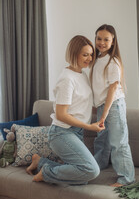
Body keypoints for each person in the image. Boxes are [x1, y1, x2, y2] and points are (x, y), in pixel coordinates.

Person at [26, 35, 105, 185]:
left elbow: (84, 104)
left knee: (81, 177)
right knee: (91, 170)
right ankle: (46, 173)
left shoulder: (82, 74)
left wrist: (106, 110)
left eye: (91, 54)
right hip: (62, 133)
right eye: (85, 54)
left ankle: (40, 162)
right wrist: (89, 127)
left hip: (76, 132)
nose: (89, 58)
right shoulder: (67, 79)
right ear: (74, 53)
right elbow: (61, 115)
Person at [90, 24, 135, 187]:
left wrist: (103, 115)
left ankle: (126, 179)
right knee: (101, 139)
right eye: (99, 38)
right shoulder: (97, 59)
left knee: (118, 142)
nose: (101, 42)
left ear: (113, 41)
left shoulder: (113, 61)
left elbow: (112, 89)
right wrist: (97, 107)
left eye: (106, 39)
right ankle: (99, 165)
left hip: (114, 106)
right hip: (103, 105)